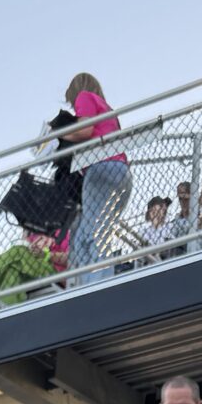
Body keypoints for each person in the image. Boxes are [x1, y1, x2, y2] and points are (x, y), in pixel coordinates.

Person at [63, 72, 131, 285]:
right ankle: (94, 280)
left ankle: (95, 284)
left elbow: (85, 130)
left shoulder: (84, 96)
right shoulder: (108, 109)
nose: (75, 107)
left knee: (90, 235)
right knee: (93, 232)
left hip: (101, 168)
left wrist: (57, 136)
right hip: (121, 172)